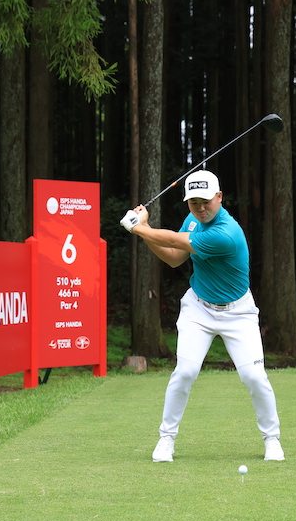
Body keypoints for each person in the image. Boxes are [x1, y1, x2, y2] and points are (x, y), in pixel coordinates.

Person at [120, 169, 284, 463]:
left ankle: (272, 440)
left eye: (206, 201)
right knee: (185, 372)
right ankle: (166, 439)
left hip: (238, 312)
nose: (200, 208)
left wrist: (140, 228)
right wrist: (144, 230)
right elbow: (174, 257)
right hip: (199, 308)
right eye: (194, 202)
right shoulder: (193, 220)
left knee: (254, 377)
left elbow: (175, 240)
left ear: (219, 197)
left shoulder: (227, 233)